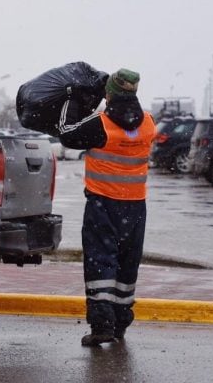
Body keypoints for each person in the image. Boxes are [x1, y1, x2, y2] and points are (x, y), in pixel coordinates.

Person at [57, 68, 156, 346]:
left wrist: (73, 99)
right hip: (136, 207)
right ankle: (121, 322)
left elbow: (66, 133)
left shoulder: (101, 126)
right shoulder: (149, 123)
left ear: (109, 94)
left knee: (101, 262)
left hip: (103, 204)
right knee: (127, 264)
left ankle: (102, 325)